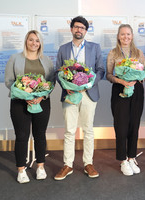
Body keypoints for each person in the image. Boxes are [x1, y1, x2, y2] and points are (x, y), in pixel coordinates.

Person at [54, 16, 105, 180]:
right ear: (71, 29)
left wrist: (90, 84)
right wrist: (66, 87)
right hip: (70, 95)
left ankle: (88, 164)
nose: (79, 30)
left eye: (82, 28)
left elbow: (101, 70)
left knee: (88, 130)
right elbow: (57, 72)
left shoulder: (95, 48)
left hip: (88, 94)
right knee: (69, 130)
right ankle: (67, 164)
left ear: (85, 31)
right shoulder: (63, 49)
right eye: (76, 27)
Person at [4, 30, 55, 183]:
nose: (34, 43)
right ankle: (21, 169)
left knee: (40, 134)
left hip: (42, 102)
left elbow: (51, 82)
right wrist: (24, 95)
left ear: (40, 43)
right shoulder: (15, 58)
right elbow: (9, 81)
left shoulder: (46, 60)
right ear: (26, 41)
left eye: (37, 41)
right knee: (21, 136)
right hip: (20, 103)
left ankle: (40, 166)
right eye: (31, 40)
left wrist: (40, 96)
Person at [106, 24, 145, 176]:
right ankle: (122, 160)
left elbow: (143, 72)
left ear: (132, 36)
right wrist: (122, 81)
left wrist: (137, 79)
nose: (125, 37)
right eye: (122, 34)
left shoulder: (138, 52)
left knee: (134, 125)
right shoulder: (113, 53)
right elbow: (108, 75)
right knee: (121, 126)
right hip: (119, 90)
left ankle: (131, 157)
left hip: (136, 91)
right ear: (118, 36)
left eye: (128, 34)